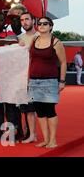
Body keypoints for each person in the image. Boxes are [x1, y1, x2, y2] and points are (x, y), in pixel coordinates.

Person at [28, 17, 67, 148]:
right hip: (33, 81)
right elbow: (29, 58)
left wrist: (62, 81)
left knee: (50, 110)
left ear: (50, 26)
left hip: (49, 81)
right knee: (39, 111)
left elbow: (63, 62)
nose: (42, 25)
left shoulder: (56, 42)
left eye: (45, 23)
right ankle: (45, 139)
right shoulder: (34, 39)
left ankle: (53, 140)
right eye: (39, 23)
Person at [0, 12, 19, 142]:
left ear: (4, 21)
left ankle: (12, 134)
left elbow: (16, 47)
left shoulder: (11, 34)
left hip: (9, 75)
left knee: (10, 107)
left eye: (0, 20)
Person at [18, 12, 39, 143]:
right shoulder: (20, 38)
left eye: (27, 19)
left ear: (33, 21)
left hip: (36, 77)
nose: (24, 22)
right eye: (22, 20)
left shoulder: (39, 37)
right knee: (26, 108)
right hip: (21, 78)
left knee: (35, 108)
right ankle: (29, 133)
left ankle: (33, 134)